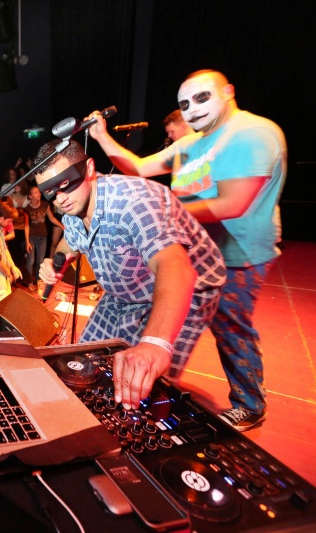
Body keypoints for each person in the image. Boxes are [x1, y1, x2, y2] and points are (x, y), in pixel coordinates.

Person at [87, 69, 286, 431]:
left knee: (229, 328)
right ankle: (145, 394)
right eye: (184, 103)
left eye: (201, 98)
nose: (192, 109)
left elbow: (232, 203)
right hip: (193, 251)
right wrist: (101, 136)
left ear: (228, 92)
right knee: (165, 321)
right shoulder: (192, 143)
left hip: (236, 255)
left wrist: (161, 214)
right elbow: (139, 168)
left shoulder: (253, 133)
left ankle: (250, 404)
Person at [35, 139, 226, 412]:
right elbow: (70, 240)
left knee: (141, 382)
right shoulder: (73, 206)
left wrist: (154, 344)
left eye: (65, 184)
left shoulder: (133, 203)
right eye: (50, 191)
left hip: (185, 287)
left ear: (89, 168)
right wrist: (56, 262)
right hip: (124, 291)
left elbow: (176, 268)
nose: (60, 198)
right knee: (84, 362)